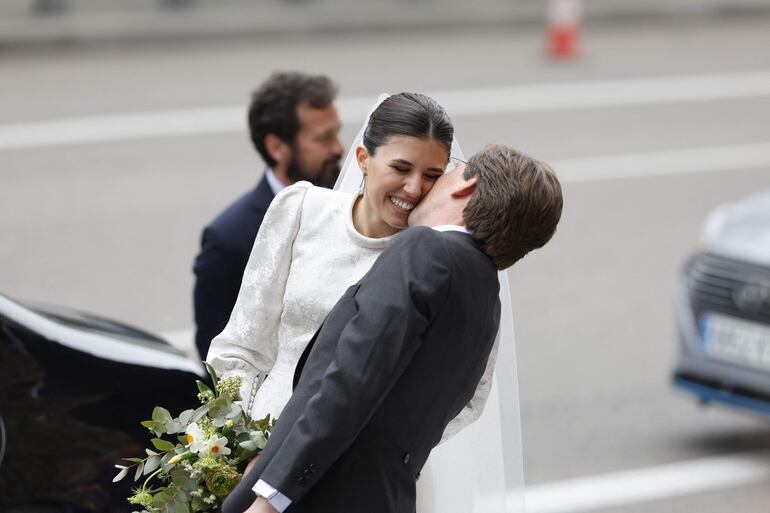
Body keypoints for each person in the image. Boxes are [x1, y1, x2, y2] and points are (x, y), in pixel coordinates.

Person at [223, 143, 564, 513]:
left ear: (466, 186)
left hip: (317, 496)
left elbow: (352, 380)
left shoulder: (426, 250)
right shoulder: (486, 301)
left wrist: (271, 497)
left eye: (444, 173)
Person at [193, 72, 344, 360]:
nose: (338, 148)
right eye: (324, 138)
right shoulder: (228, 240)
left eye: (336, 132)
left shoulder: (350, 201)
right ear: (276, 147)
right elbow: (216, 359)